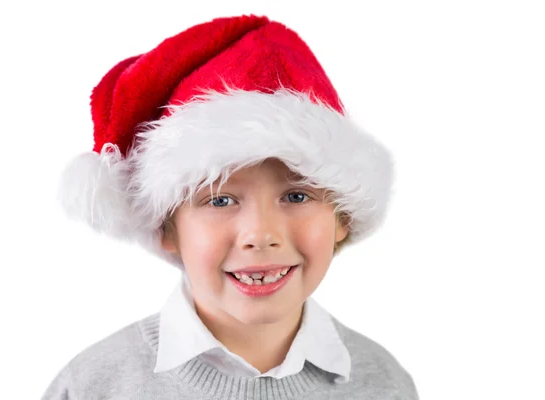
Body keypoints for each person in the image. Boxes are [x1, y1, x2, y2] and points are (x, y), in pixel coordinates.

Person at [42, 14, 419, 400]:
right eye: (220, 199)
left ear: (343, 217)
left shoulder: (383, 385)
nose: (261, 234)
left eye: (297, 196)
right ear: (165, 228)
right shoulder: (95, 385)